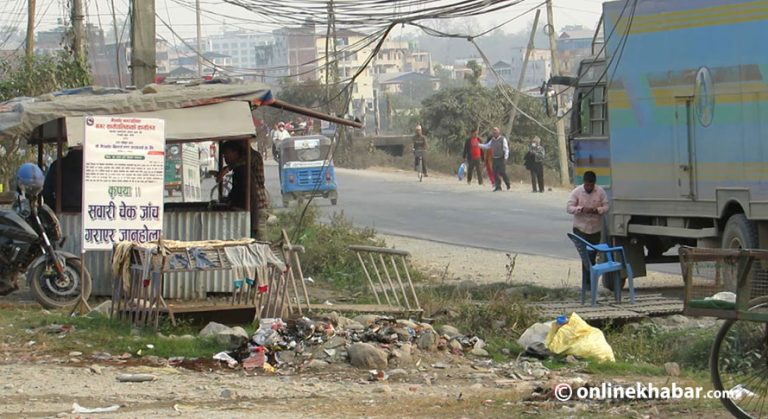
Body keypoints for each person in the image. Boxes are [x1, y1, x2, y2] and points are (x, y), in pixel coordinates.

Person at [218, 141, 270, 241]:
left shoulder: (253, 157)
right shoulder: (239, 166)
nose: (225, 158)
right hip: (250, 206)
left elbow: (244, 161)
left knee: (260, 240)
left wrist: (227, 168)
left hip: (258, 205)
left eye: (226, 154)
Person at [566, 170, 610, 290]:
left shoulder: (600, 192)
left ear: (594, 183)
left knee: (592, 257)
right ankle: (587, 285)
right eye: (587, 185)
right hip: (580, 229)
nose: (589, 187)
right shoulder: (577, 192)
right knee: (585, 257)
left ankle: (590, 284)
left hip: (595, 229)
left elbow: (606, 207)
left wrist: (597, 210)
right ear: (584, 183)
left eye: (591, 185)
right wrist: (580, 209)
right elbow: (569, 208)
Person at [42, 146, 83, 212]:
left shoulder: (57, 165)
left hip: (61, 212)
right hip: (90, 213)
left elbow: (47, 192)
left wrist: (54, 209)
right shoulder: (92, 166)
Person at [477, 127, 510, 191]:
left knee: (502, 172)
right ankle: (498, 186)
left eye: (496, 131)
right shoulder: (492, 140)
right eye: (493, 132)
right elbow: (487, 146)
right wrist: (478, 145)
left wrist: (506, 158)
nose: (494, 133)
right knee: (495, 173)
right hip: (494, 158)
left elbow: (506, 149)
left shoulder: (503, 139)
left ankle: (507, 183)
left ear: (499, 132)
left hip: (501, 158)